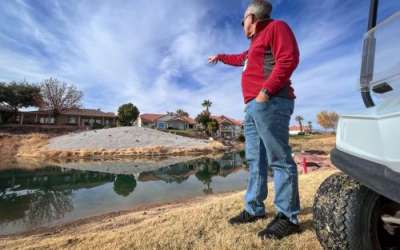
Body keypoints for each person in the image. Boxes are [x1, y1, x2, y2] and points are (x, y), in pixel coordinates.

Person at [208, 0, 301, 240]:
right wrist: (220, 56)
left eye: (242, 21)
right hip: (252, 107)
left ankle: (287, 217)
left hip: (271, 101)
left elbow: (289, 59)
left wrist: (265, 92)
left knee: (279, 160)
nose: (241, 25)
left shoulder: (276, 27)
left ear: (251, 18)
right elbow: (239, 58)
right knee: (255, 160)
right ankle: (254, 208)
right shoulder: (252, 47)